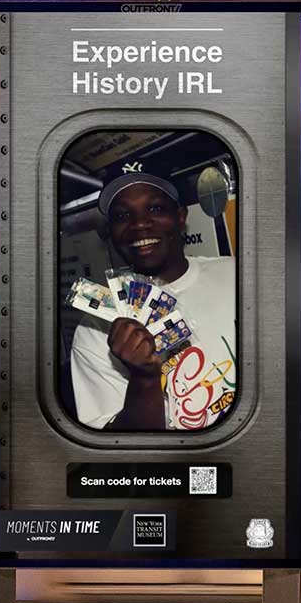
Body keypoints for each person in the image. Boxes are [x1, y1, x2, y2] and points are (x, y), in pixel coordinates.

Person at [70, 163, 237, 430]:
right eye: (123, 215)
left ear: (181, 217)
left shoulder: (236, 275)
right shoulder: (94, 331)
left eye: (155, 209)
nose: (139, 224)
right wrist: (144, 378)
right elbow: (119, 448)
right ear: (110, 233)